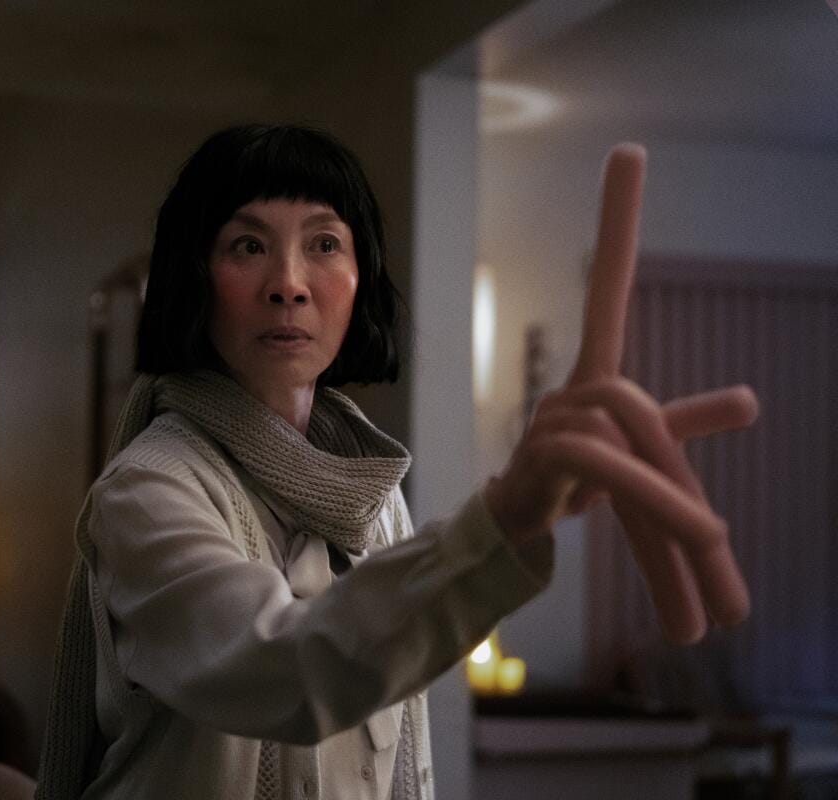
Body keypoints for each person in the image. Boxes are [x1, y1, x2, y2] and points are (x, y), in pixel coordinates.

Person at [37, 124, 757, 800]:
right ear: (195, 276)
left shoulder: (375, 496)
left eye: (324, 244)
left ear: (362, 279)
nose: (289, 283)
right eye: (248, 246)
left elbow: (408, 762)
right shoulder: (150, 489)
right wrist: (501, 520)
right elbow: (285, 672)